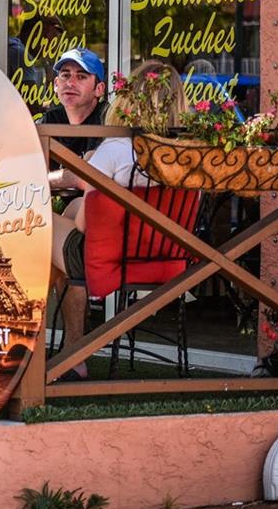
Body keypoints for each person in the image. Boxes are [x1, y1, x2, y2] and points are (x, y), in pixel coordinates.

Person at [51, 59, 184, 378]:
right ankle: (72, 352)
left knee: (32, 219)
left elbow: (85, 223)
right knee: (66, 216)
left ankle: (37, 346)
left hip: (106, 259)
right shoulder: (184, 151)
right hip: (164, 255)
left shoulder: (116, 148)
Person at [39, 46, 109, 160]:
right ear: (56, 85)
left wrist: (45, 178)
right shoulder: (51, 119)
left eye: (81, 77)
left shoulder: (106, 119)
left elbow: (87, 174)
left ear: (99, 89)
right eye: (66, 75)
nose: (70, 83)